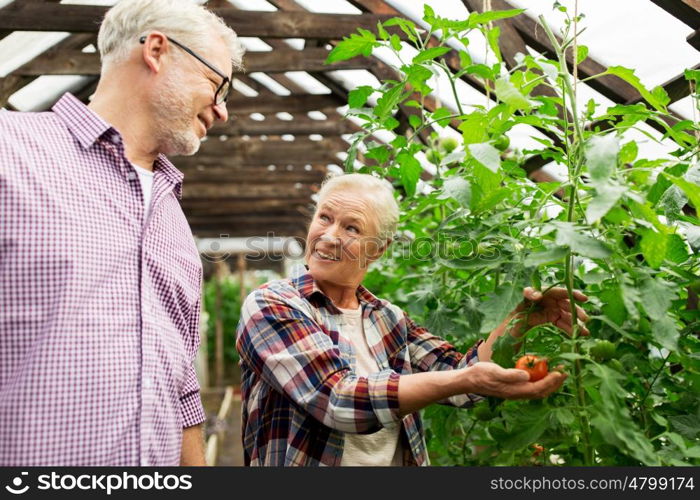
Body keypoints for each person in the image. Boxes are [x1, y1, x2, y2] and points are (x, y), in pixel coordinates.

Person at [0, 0, 244, 466]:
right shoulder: (10, 151)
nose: (222, 110)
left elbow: (182, 392)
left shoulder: (171, 214)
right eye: (218, 85)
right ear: (157, 50)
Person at [236, 173, 589, 466]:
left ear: (378, 249)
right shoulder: (272, 304)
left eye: (352, 229)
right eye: (324, 218)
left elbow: (460, 372)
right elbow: (338, 400)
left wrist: (519, 322)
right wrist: (464, 379)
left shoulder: (388, 319)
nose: (328, 237)